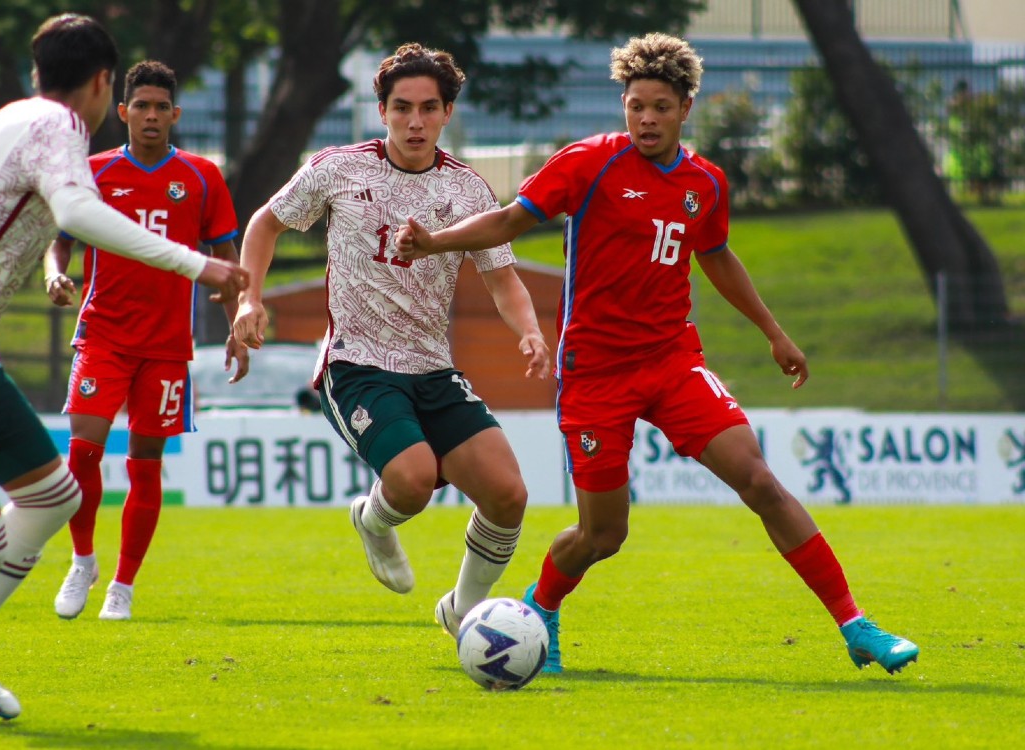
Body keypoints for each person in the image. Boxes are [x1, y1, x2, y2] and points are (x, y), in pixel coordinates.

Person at [394, 32, 919, 676]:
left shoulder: (705, 182)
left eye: (661, 107)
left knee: (760, 480)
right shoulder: (587, 163)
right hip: (595, 373)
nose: (646, 118)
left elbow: (717, 255)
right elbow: (507, 221)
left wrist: (774, 333)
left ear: (685, 108)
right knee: (603, 536)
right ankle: (544, 607)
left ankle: (856, 626)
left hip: (673, 362)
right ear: (624, 104)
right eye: (636, 105)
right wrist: (435, 242)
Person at [0, 15, 247, 729]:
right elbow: (75, 212)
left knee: (55, 496)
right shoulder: (60, 129)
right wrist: (200, 263)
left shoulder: (9, 119)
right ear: (105, 86)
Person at [232, 43, 551, 637]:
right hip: (355, 363)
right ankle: (373, 520)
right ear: (381, 110)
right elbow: (265, 222)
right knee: (412, 480)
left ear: (447, 112)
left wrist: (530, 330)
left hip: (432, 369)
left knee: (509, 495)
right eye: (402, 107)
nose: (415, 121)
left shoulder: (468, 190)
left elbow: (503, 280)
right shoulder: (338, 167)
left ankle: (460, 613)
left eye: (429, 108)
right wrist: (250, 297)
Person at [44, 60, 246, 622]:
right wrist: (54, 273)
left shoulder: (203, 177)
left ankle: (123, 585)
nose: (152, 116)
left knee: (145, 464)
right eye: (142, 106)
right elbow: (58, 240)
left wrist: (237, 327)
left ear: (175, 114)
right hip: (103, 336)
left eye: (162, 107)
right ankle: (82, 560)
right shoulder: (94, 172)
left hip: (166, 346)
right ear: (123, 111)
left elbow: (227, 262)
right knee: (82, 450)